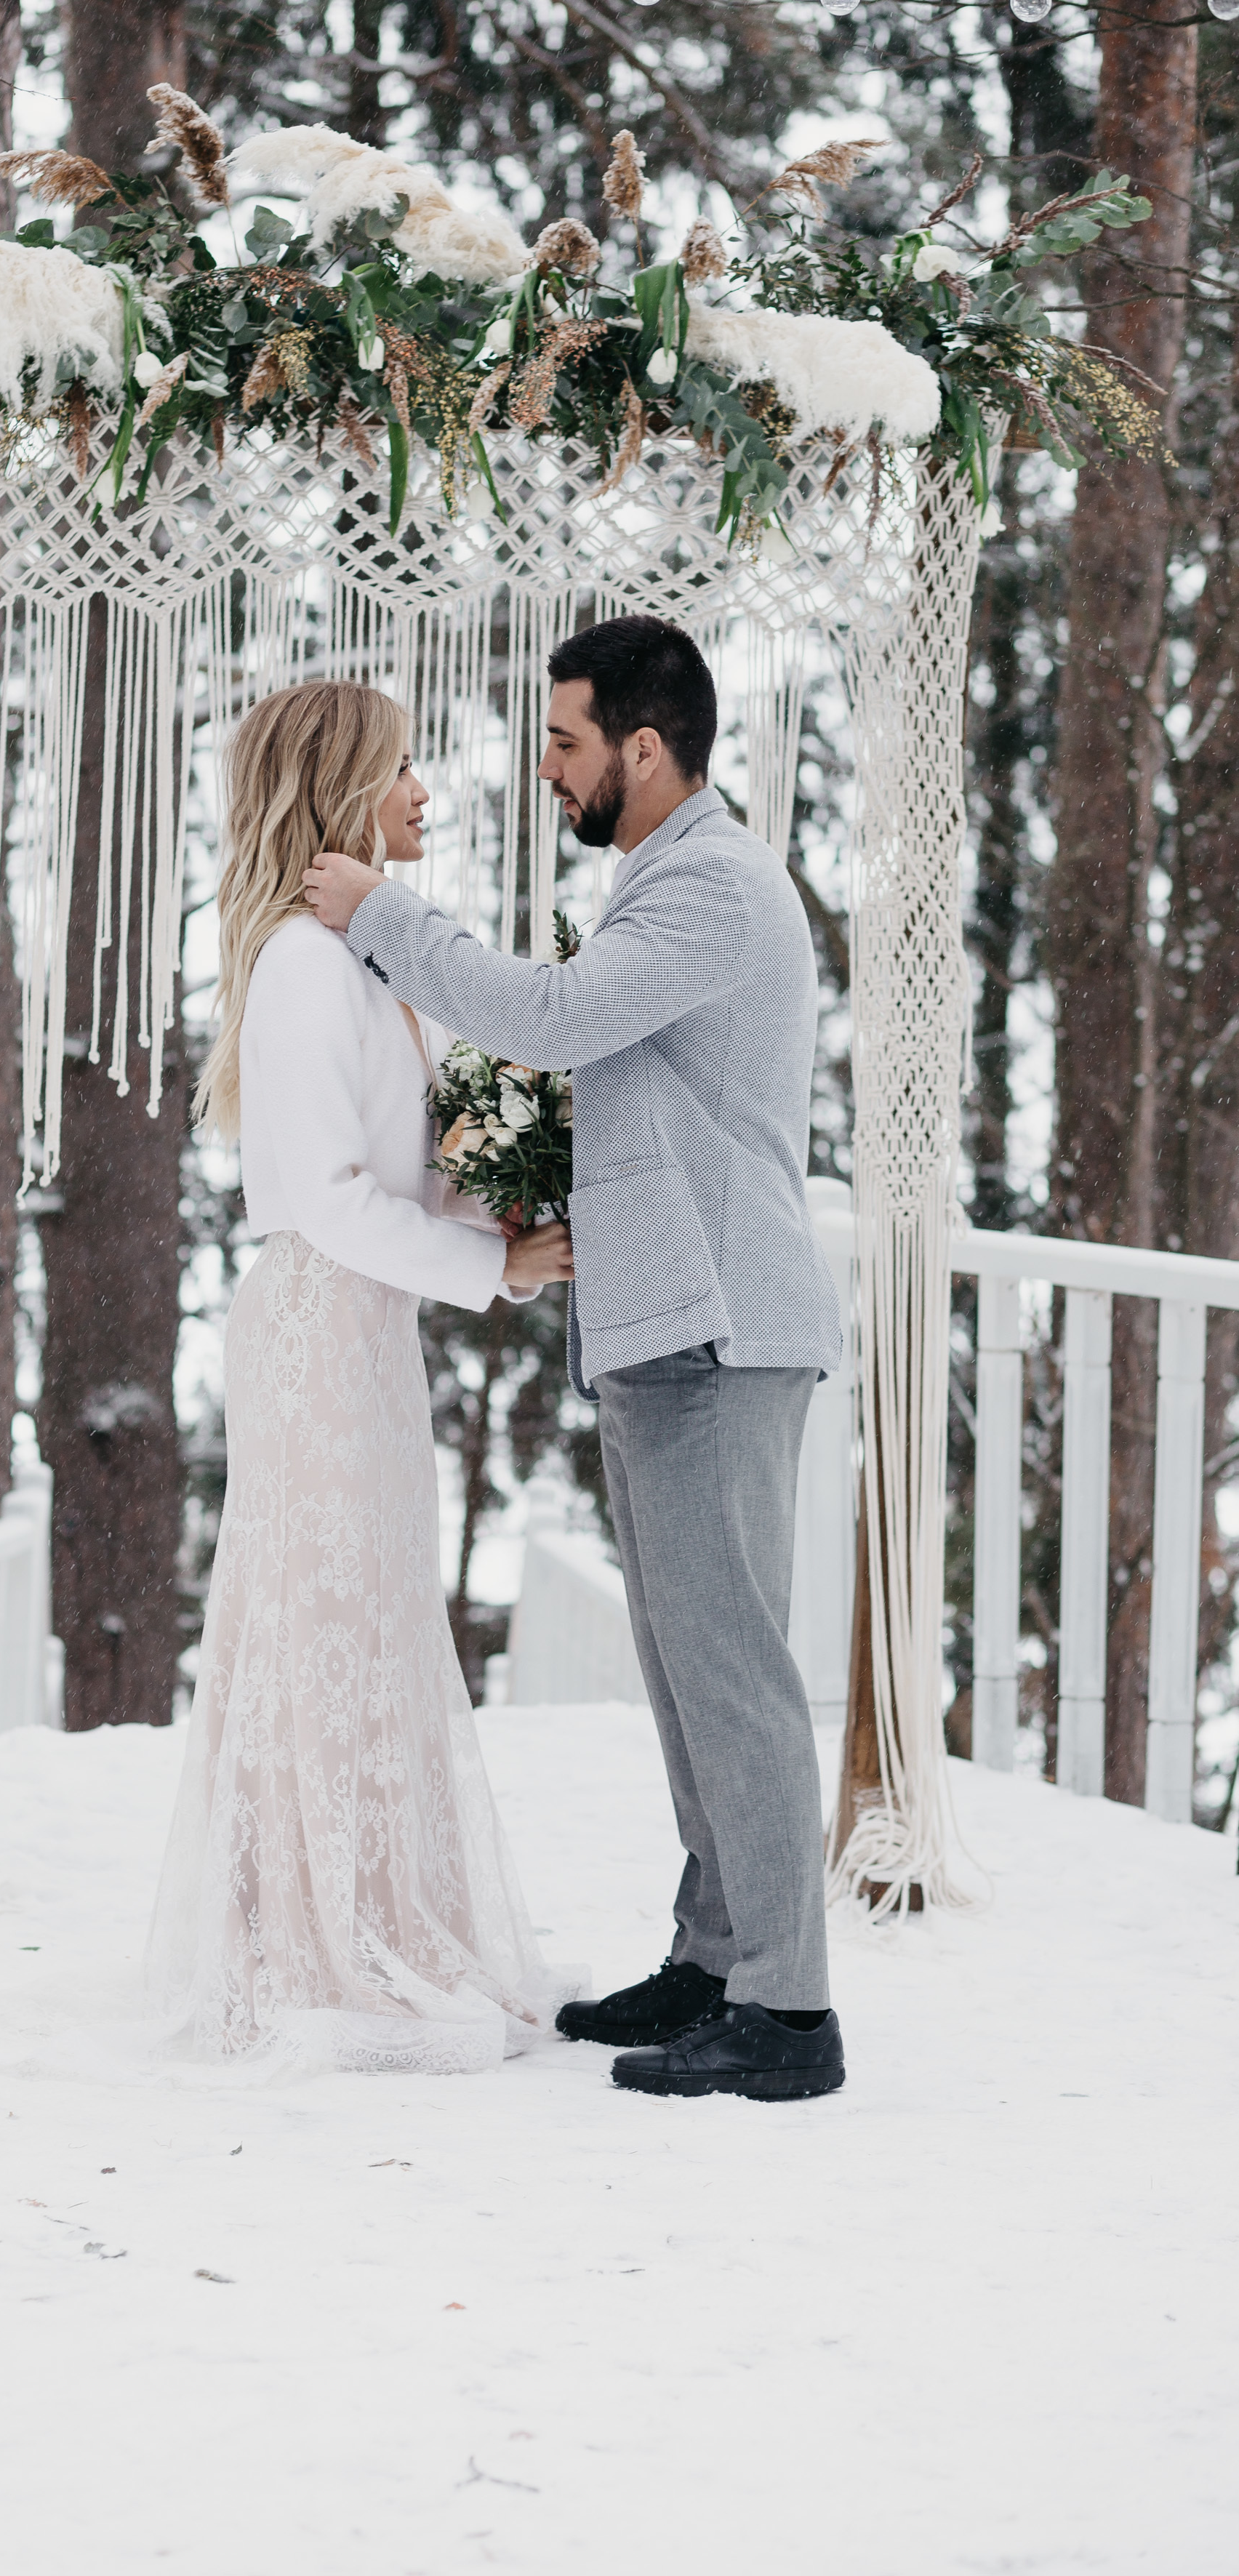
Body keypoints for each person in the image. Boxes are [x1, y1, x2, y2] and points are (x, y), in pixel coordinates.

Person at [304, 615, 847, 2104]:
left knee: (729, 1666)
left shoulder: (715, 887)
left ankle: (788, 2017)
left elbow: (549, 1019)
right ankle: (717, 1955)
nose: (544, 768)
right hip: (670, 1321)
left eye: (562, 739)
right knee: (685, 1667)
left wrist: (383, 918)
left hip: (725, 1326)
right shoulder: (658, 879)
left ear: (645, 748)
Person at [144, 678, 581, 2074]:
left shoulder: (356, 961)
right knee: (318, 1626)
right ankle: (311, 1937)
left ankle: (371, 1904)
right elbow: (322, 1199)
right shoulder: (295, 965)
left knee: (366, 1619)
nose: (422, 793)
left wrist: (494, 1211)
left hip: (368, 1330)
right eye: (400, 771)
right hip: (320, 1326)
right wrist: (494, 1272)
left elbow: (396, 1172)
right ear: (338, 791)